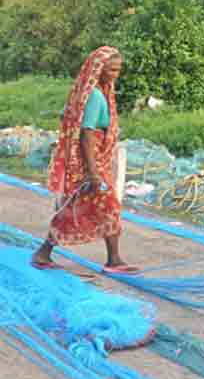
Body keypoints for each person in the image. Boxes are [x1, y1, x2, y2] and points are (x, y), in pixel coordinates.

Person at [31, 47, 140, 275]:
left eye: (118, 69)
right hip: (90, 163)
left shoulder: (98, 93)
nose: (115, 74)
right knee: (108, 206)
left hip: (95, 161)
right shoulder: (95, 97)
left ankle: (44, 253)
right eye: (111, 69)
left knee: (78, 207)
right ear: (98, 69)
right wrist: (92, 171)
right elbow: (87, 134)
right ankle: (113, 260)